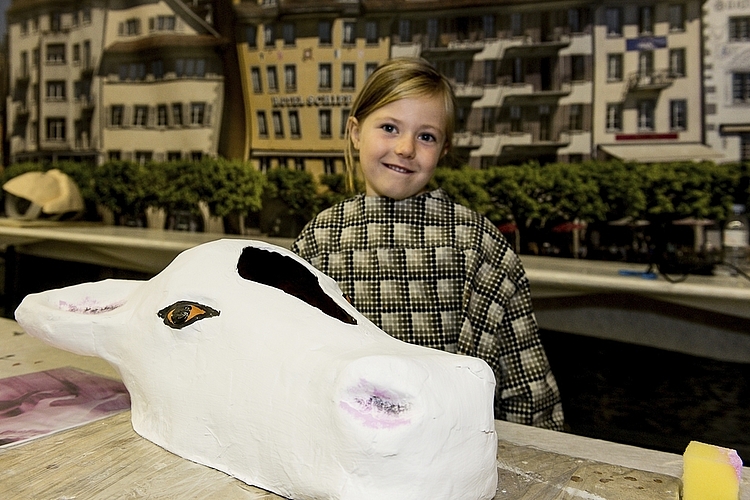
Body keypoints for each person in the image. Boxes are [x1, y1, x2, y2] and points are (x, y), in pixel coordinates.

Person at [292, 57, 564, 430]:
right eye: (390, 127)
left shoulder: (480, 245)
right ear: (355, 132)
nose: (406, 148)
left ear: (444, 149)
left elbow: (526, 386)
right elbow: (294, 366)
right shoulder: (317, 242)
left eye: (426, 136)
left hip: (451, 454)